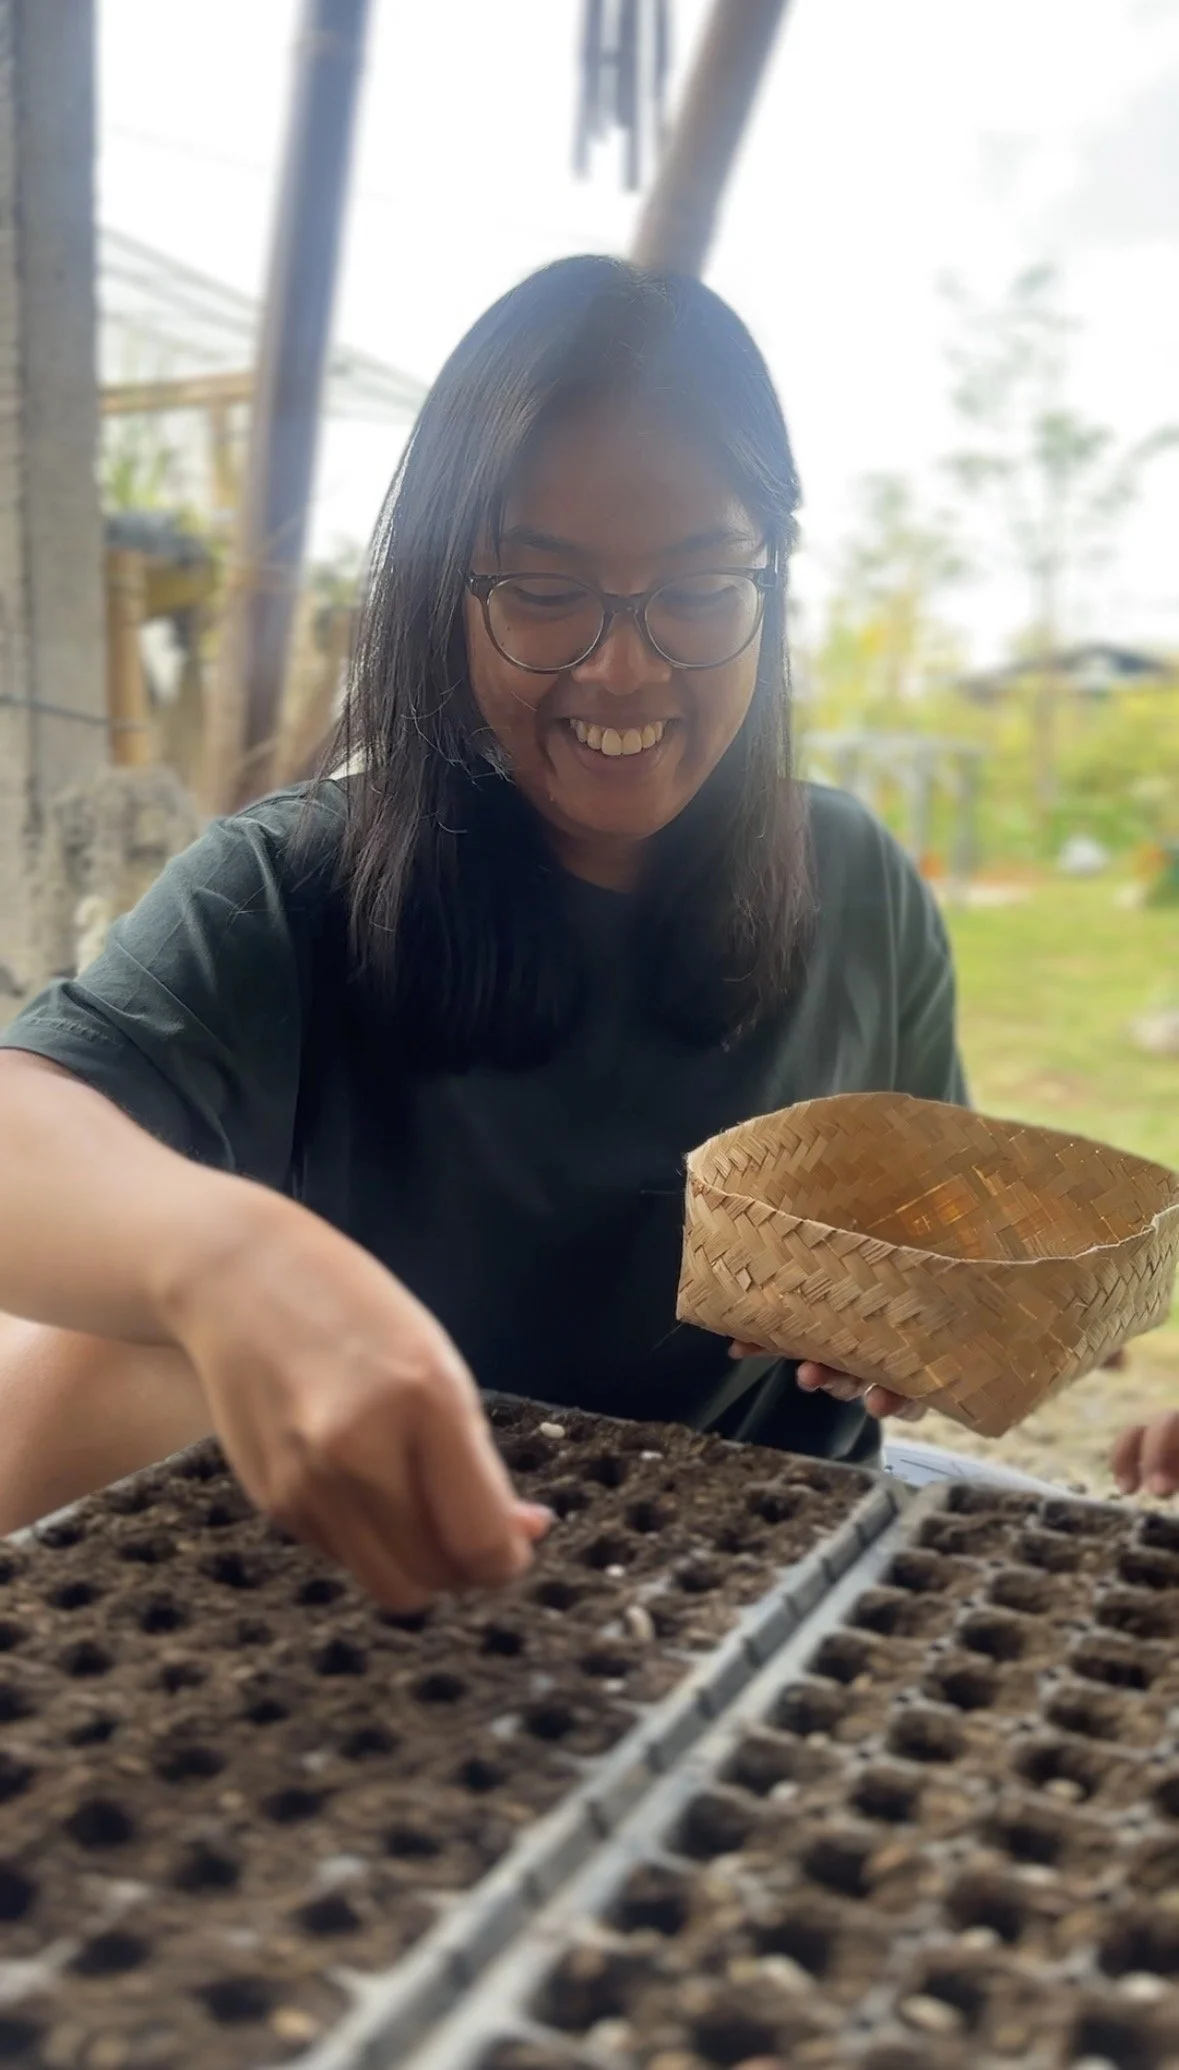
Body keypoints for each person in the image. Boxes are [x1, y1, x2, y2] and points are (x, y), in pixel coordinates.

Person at [0, 258, 1150, 1608]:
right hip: (416, 1577)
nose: (623, 665)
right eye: (542, 590)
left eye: (696, 585)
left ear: (766, 581)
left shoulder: (853, 879)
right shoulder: (295, 884)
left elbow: (936, 1235)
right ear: (446, 593)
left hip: (764, 1578)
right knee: (78, 1366)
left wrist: (916, 1333)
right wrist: (230, 1262)